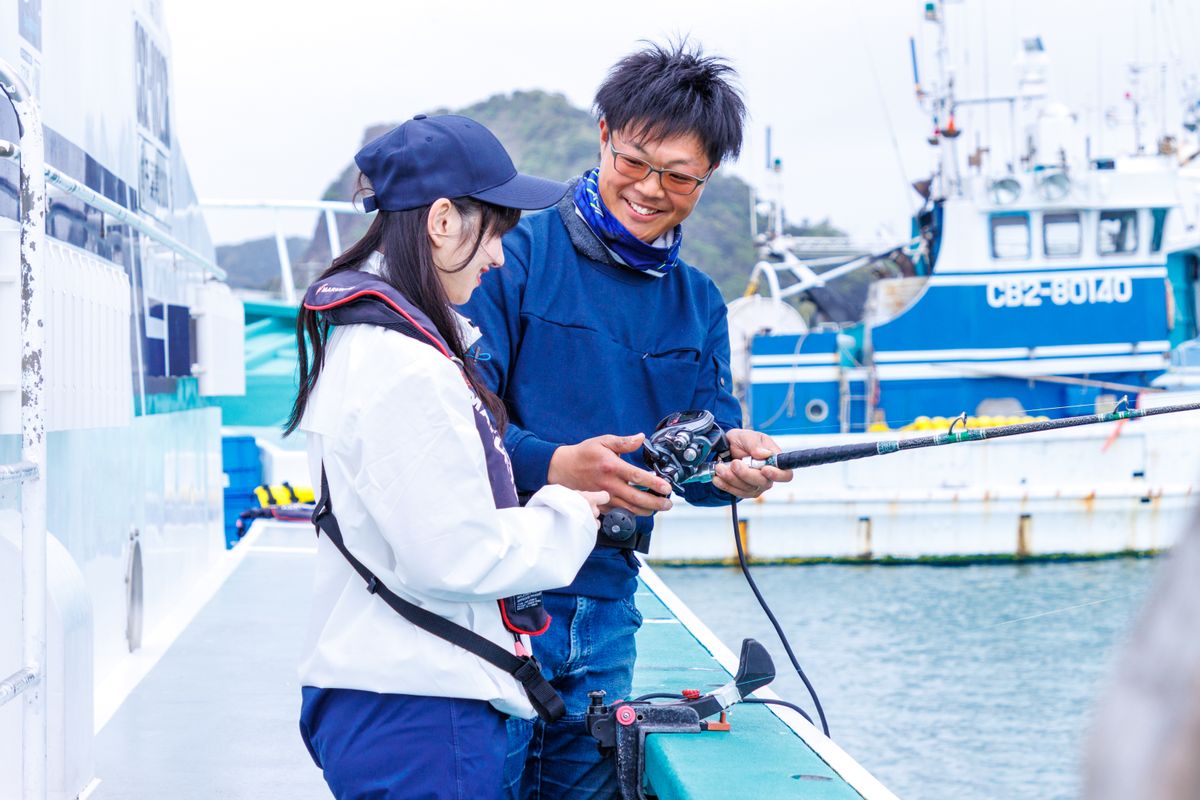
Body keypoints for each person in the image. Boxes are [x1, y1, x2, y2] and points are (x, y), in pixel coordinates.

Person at [462, 42, 796, 799]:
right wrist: (557, 466)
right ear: (604, 133)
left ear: (708, 179)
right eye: (636, 162)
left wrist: (737, 471)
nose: (650, 190)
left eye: (680, 177)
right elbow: (459, 429)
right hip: (495, 600)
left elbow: (707, 459)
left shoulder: (701, 303)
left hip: (608, 612)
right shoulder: (512, 256)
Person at [286, 114, 607, 800]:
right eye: (495, 230)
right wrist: (570, 511)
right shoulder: (407, 367)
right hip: (423, 718)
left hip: (385, 705)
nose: (498, 257)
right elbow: (454, 556)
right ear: (440, 221)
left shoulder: (368, 344)